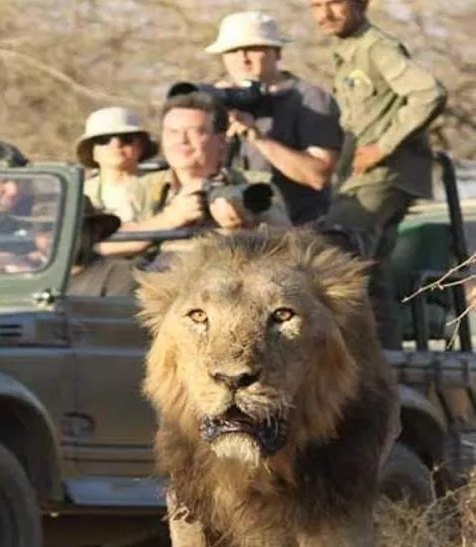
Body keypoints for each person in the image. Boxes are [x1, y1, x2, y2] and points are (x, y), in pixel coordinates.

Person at [310, 0, 448, 349]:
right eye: (315, 4)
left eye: (334, 3)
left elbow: (428, 93)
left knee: (337, 249)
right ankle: (385, 356)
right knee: (373, 270)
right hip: (365, 176)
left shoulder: (376, 46)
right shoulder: (348, 49)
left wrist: (383, 146)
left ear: (360, 4)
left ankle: (351, 358)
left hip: (383, 174)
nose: (324, 14)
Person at [96, 92, 291, 260]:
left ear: (222, 140)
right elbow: (103, 246)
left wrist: (243, 229)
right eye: (172, 132)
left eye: (196, 132)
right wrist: (169, 219)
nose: (181, 140)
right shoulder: (142, 188)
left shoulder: (255, 186)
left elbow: (287, 246)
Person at [205, 10, 344, 225]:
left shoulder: (309, 99)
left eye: (253, 48)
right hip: (235, 230)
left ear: (277, 52)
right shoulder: (221, 100)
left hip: (300, 231)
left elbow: (317, 176)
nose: (243, 58)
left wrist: (258, 138)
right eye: (232, 51)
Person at [74, 107, 158, 225]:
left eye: (126, 138)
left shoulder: (161, 187)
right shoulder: (77, 195)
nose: (116, 144)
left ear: (141, 146)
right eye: (103, 140)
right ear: (92, 152)